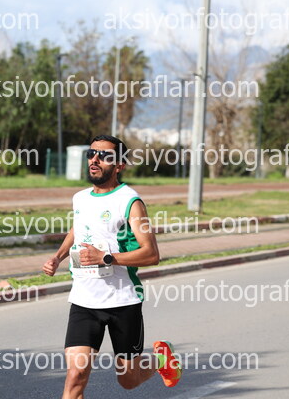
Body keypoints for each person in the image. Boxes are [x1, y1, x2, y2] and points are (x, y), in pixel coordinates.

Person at [43, 135, 182, 398]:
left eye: (104, 156)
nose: (95, 160)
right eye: (91, 154)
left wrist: (106, 258)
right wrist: (58, 256)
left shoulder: (130, 201)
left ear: (119, 165)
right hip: (84, 301)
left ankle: (161, 359)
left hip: (123, 301)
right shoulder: (80, 198)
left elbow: (151, 253)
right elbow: (78, 228)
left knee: (128, 380)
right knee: (75, 376)